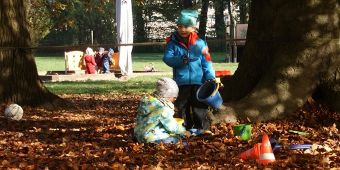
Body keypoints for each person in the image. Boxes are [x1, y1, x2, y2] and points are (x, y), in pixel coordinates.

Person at [163, 10, 216, 133]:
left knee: (199, 106)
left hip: (199, 81)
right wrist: (180, 60)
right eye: (180, 26)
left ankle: (202, 128)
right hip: (181, 81)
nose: (182, 29)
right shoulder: (172, 43)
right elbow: (167, 58)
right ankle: (184, 128)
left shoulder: (200, 43)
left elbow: (207, 61)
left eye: (186, 27)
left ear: (193, 27)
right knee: (182, 106)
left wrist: (210, 76)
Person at [134, 77, 189, 144]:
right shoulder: (162, 108)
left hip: (139, 135)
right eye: (174, 97)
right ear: (167, 96)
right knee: (180, 140)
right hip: (153, 138)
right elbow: (172, 127)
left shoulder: (148, 102)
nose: (175, 99)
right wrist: (184, 131)